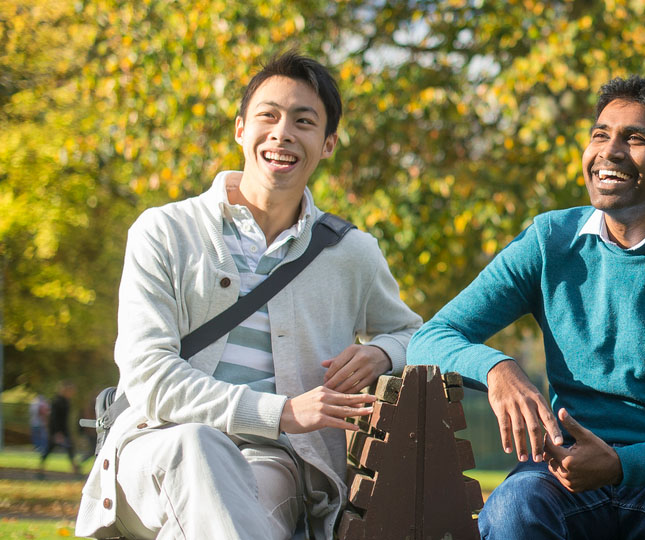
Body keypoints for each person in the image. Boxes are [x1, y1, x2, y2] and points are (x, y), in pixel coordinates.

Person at [75, 51, 422, 540]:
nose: (283, 132)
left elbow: (416, 332)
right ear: (240, 129)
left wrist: (382, 351)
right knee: (197, 448)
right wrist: (282, 413)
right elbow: (148, 375)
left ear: (327, 145)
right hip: (154, 446)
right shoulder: (163, 231)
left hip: (275, 460)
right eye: (268, 115)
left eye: (304, 122)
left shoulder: (352, 253)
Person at [408, 76, 645, 539]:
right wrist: (498, 369)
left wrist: (621, 464)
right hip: (567, 470)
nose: (608, 151)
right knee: (514, 505)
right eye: (600, 134)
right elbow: (429, 339)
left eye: (635, 139)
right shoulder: (548, 240)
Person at [39, 382, 80, 477]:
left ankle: (75, 469)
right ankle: (40, 470)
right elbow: (54, 418)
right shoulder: (57, 402)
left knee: (69, 449)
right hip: (57, 430)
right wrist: (57, 432)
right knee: (49, 450)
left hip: (63, 430)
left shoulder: (66, 401)